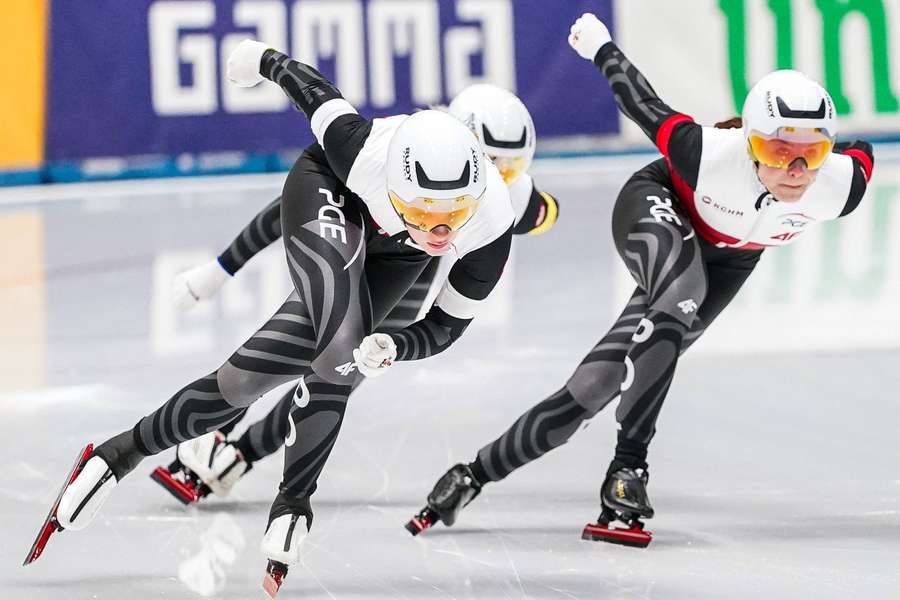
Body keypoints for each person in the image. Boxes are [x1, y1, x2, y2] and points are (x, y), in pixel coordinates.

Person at [29, 39, 517, 596]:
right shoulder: (360, 152)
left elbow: (447, 328)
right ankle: (293, 502)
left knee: (241, 383)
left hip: (392, 250)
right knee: (340, 349)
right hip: (328, 195)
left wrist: (399, 346)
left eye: (454, 213)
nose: (441, 232)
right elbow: (311, 90)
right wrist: (259, 59)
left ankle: (118, 451)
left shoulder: (487, 226)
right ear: (397, 189)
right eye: (427, 212)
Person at [406, 12, 874, 548]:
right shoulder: (706, 156)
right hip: (656, 205)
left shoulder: (841, 184)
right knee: (681, 297)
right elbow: (643, 103)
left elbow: (864, 154)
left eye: (810, 153)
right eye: (777, 152)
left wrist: (825, 159)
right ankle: (629, 469)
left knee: (596, 386)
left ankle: (472, 474)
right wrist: (600, 47)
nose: (795, 171)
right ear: (749, 143)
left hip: (730, 260)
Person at [150, 83, 561, 506]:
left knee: (339, 371)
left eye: (512, 167)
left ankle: (244, 453)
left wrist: (525, 208)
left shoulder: (502, 193)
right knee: (292, 347)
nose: (501, 174)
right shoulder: (400, 156)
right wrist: (219, 271)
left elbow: (545, 210)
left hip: (405, 288)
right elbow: (284, 210)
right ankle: (219, 430)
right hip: (356, 250)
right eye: (492, 162)